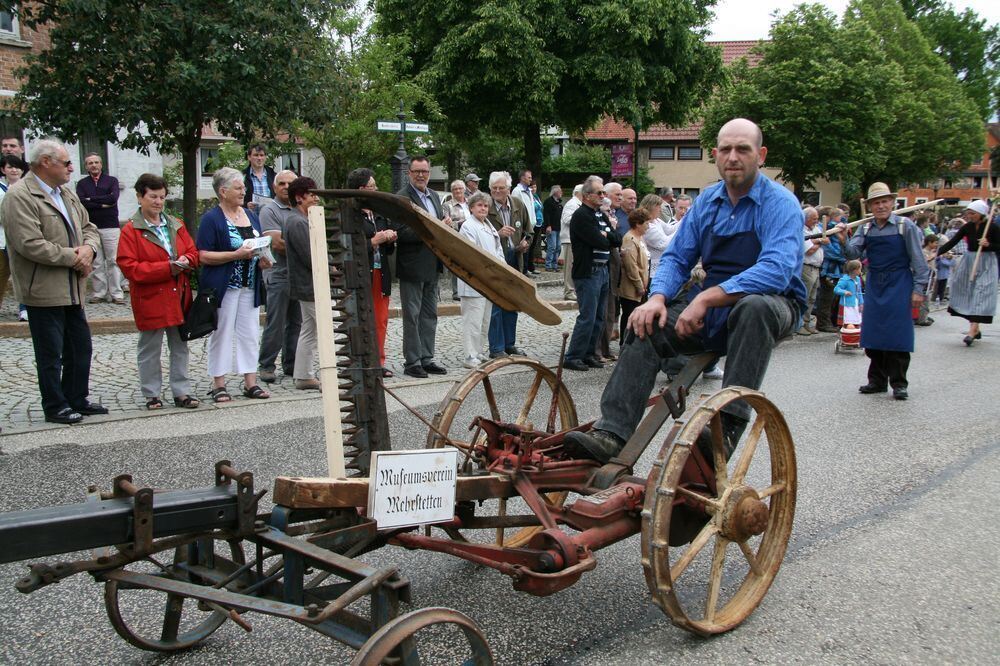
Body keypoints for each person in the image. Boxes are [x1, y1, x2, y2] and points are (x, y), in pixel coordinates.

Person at [563, 119, 805, 463]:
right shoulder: (707, 202)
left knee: (754, 308)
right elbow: (677, 257)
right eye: (725, 149)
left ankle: (728, 426)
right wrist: (657, 298)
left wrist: (706, 297)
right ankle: (612, 433)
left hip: (775, 302)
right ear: (716, 155)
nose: (733, 157)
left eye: (743, 149)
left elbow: (776, 270)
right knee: (644, 324)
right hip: (716, 306)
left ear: (761, 155)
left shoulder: (781, 203)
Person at [0, 138, 107, 424]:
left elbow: (89, 228)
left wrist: (90, 249)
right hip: (43, 288)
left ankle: (76, 397)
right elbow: (29, 244)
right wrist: (75, 256)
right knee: (51, 352)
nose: (72, 167)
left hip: (72, 287)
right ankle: (55, 404)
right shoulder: (20, 195)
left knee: (80, 347)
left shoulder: (66, 194)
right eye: (67, 162)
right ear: (46, 163)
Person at [117, 173, 200, 409]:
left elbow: (194, 253)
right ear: (140, 197)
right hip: (151, 297)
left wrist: (187, 259)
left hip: (178, 295)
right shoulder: (131, 231)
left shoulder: (176, 224)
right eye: (153, 196)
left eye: (162, 197)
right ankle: (151, 393)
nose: (158, 202)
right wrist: (167, 268)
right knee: (150, 348)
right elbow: (130, 267)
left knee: (180, 345)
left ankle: (182, 391)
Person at [840, 182, 929, 400]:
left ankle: (899, 383)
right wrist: (843, 239)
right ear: (870, 206)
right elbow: (854, 254)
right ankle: (877, 381)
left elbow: (919, 261)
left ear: (891, 202)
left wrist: (918, 290)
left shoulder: (905, 226)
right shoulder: (866, 228)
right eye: (876, 203)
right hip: (875, 282)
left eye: (884, 201)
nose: (880, 206)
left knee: (897, 334)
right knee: (874, 333)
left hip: (899, 282)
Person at [197, 167, 273, 402]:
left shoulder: (250, 216)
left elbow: (256, 244)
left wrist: (263, 259)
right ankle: (218, 382)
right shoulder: (212, 219)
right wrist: (235, 255)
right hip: (224, 286)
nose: (243, 191)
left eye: (243, 187)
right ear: (223, 191)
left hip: (250, 284)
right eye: (238, 187)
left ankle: (250, 381)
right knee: (221, 332)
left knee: (249, 333)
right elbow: (204, 255)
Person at [393, 155, 450, 378]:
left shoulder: (435, 196)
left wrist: (443, 228)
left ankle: (427, 358)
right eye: (416, 171)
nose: (421, 175)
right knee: (412, 315)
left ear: (429, 173)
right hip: (412, 265)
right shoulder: (401, 198)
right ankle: (412, 361)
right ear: (409, 173)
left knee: (430, 315)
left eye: (424, 172)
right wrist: (434, 228)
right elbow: (401, 232)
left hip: (432, 264)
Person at [563, 175, 620, 372]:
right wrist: (606, 235)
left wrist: (607, 235)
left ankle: (588, 353)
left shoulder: (600, 214)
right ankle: (573, 356)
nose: (603, 196)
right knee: (587, 316)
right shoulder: (582, 215)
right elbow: (601, 241)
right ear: (587, 196)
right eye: (600, 193)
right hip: (588, 273)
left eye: (604, 192)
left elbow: (617, 239)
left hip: (603, 271)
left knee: (599, 317)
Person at [347, 167, 396, 376]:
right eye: (372, 187)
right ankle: (360, 362)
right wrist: (373, 242)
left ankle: (378, 361)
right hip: (360, 274)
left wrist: (390, 239)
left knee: (381, 319)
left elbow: (387, 247)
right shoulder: (350, 214)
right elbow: (348, 246)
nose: (376, 190)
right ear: (361, 189)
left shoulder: (378, 213)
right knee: (360, 319)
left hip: (380, 273)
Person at [256, 169, 301, 383]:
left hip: (299, 274)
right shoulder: (269, 210)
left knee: (297, 323)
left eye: (289, 183)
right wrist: (304, 246)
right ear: (274, 188)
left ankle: (291, 365)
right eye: (281, 183)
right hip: (278, 273)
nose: (285, 187)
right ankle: (266, 365)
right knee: (276, 321)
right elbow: (277, 244)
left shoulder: (301, 209)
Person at [936, 199, 998, 346]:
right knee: (968, 293)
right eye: (968, 213)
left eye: (973, 213)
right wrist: (937, 253)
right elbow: (953, 242)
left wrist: (989, 244)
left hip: (986, 262)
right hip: (969, 262)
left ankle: (972, 331)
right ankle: (975, 327)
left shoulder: (993, 228)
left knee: (980, 293)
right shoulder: (967, 227)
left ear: (981, 214)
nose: (969, 216)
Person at [282, 176, 323, 390]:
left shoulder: (300, 219)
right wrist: (332, 268)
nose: (316, 198)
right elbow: (310, 256)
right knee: (327, 327)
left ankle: (303, 375)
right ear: (299, 198)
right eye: (312, 194)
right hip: (309, 286)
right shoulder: (297, 221)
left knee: (309, 330)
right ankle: (324, 372)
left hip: (307, 285)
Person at [486, 171, 532, 357]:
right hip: (495, 262)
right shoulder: (486, 206)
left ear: (509, 189)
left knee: (513, 303)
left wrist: (525, 243)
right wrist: (498, 233)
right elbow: (478, 235)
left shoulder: (518, 204)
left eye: (501, 188)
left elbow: (529, 230)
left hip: (515, 258)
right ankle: (496, 348)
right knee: (496, 305)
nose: (497, 191)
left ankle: (509, 344)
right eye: (494, 188)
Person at [458, 191, 504, 367]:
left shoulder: (488, 225)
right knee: (473, 320)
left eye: (485, 205)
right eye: (479, 205)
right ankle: (470, 355)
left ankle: (479, 351)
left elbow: (497, 249)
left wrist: (500, 267)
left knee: (485, 319)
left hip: (489, 280)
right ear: (471, 208)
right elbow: (471, 254)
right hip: (474, 281)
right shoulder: (468, 226)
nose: (483, 208)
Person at [76, 153, 123, 304]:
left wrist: (92, 199)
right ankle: (99, 293)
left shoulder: (111, 181)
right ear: (86, 166)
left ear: (101, 164)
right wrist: (102, 202)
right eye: (90, 163)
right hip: (91, 227)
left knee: (114, 260)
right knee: (96, 262)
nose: (94, 165)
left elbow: (113, 198)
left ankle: (117, 293)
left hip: (110, 226)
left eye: (96, 162)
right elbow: (82, 202)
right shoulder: (82, 184)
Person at [0, 154, 28, 311]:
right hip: (2, 240)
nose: (14, 170)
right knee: (1, 275)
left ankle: (25, 308)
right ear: (3, 170)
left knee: (24, 276)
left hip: (23, 238)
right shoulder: (0, 189)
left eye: (17, 167)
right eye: (10, 167)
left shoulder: (28, 188)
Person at [618, 209, 650, 343]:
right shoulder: (630, 239)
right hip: (631, 288)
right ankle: (624, 343)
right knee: (629, 316)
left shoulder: (640, 238)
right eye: (646, 223)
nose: (648, 226)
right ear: (638, 224)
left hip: (641, 285)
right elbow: (631, 266)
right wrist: (639, 285)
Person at [816, 205, 848, 332]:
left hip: (836, 270)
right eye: (841, 216)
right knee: (826, 298)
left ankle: (830, 321)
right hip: (830, 270)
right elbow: (833, 253)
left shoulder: (839, 231)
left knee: (833, 298)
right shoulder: (829, 231)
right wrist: (843, 256)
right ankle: (823, 323)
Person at [798, 206, 826, 335]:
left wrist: (816, 240)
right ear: (806, 219)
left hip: (816, 268)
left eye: (817, 218)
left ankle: (807, 323)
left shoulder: (816, 229)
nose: (817, 221)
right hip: (806, 267)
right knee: (805, 296)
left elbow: (828, 240)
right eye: (814, 218)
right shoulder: (801, 231)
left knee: (812, 298)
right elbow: (809, 250)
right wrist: (820, 240)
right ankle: (799, 325)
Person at [445, 179, 469, 301]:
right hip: (456, 238)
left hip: (472, 238)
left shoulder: (471, 203)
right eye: (455, 189)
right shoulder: (447, 205)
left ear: (465, 190)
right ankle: (456, 292)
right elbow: (445, 224)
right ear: (452, 191)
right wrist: (462, 224)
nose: (458, 191)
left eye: (460, 188)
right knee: (456, 265)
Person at [560, 184, 583, 300]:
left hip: (574, 239)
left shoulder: (577, 204)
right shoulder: (572, 204)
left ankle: (572, 290)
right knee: (569, 266)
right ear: (579, 193)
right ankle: (568, 291)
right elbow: (566, 219)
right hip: (569, 238)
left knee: (574, 265)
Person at [242, 144, 276, 210]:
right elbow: (235, 198)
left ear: (265, 157)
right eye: (256, 155)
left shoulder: (273, 176)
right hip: (250, 216)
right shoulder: (242, 176)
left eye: (262, 155)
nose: (259, 158)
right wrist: (246, 205)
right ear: (249, 157)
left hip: (270, 216)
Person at [914, 234, 938, 326]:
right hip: (925, 277)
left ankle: (924, 316)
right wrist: (932, 256)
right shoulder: (923, 252)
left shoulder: (931, 251)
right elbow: (923, 263)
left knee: (927, 297)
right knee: (924, 297)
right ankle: (922, 319)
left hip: (931, 277)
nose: (936, 245)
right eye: (935, 243)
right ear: (929, 242)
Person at [833, 259, 863, 330]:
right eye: (859, 269)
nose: (860, 271)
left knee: (857, 322)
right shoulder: (845, 280)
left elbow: (859, 292)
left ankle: (855, 336)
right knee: (848, 323)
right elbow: (836, 289)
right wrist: (844, 292)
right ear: (854, 270)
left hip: (855, 304)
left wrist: (861, 303)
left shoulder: (858, 279)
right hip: (847, 305)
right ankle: (846, 335)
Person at [543, 184, 563, 271]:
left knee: (558, 247)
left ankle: (555, 265)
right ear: (555, 192)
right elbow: (546, 214)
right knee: (552, 246)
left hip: (558, 227)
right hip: (551, 228)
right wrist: (548, 225)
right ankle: (548, 265)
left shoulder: (559, 202)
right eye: (560, 191)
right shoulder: (548, 201)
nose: (561, 193)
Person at [933, 239, 953, 304]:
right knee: (939, 289)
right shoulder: (940, 259)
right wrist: (940, 258)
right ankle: (937, 298)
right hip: (940, 276)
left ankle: (941, 298)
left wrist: (948, 258)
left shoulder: (947, 259)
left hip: (945, 276)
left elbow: (949, 264)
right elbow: (937, 265)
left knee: (943, 288)